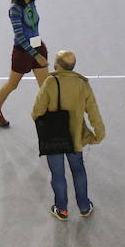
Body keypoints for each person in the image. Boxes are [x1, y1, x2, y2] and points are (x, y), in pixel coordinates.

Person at [30, 50, 104, 221]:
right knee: (78, 170)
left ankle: (61, 209)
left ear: (57, 65)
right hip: (76, 137)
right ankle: (84, 207)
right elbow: (93, 111)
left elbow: (36, 111)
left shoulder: (50, 82)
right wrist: (99, 134)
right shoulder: (82, 84)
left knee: (57, 174)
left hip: (54, 137)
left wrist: (44, 124)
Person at [0, 0, 48, 127]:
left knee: (46, 85)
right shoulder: (15, 10)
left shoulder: (32, 2)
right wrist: (37, 55)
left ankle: (49, 115)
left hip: (37, 47)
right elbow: (20, 38)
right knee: (12, 85)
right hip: (23, 53)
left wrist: (39, 46)